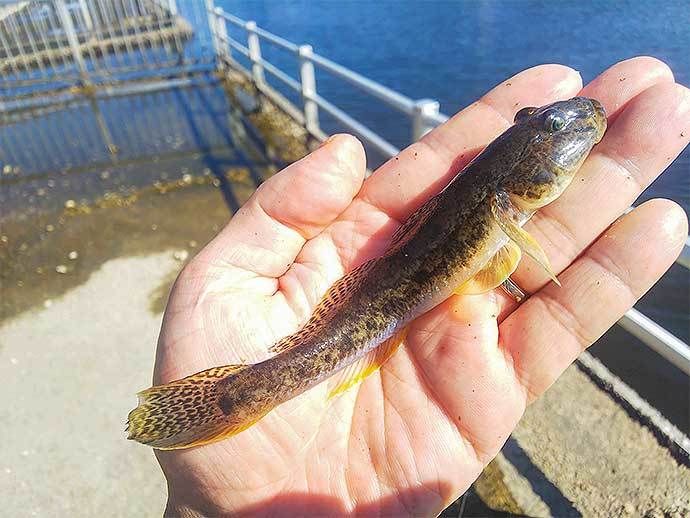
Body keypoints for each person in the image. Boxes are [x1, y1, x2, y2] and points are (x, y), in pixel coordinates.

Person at [150, 57, 689, 517]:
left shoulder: (501, 195)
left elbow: (490, 260)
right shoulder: (501, 200)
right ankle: (235, 396)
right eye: (546, 130)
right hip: (377, 308)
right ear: (520, 180)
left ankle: (233, 397)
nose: (566, 130)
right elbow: (496, 266)